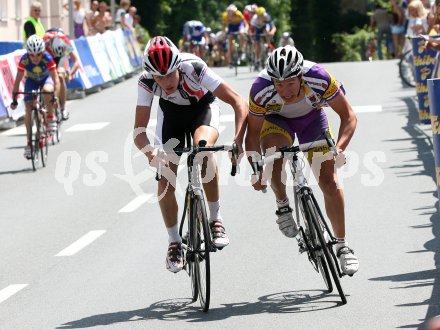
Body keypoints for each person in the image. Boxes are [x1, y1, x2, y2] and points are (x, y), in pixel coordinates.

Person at [133, 36, 247, 273]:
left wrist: (238, 140)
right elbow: (139, 132)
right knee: (165, 177)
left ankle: (216, 219)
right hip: (171, 117)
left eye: (169, 74)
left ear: (177, 66)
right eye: (159, 77)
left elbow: (237, 101)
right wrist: (151, 153)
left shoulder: (194, 67)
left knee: (203, 149)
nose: (165, 82)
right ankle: (174, 241)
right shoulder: (146, 82)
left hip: (202, 109)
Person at [244, 45, 359, 276]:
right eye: (279, 84)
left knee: (330, 183)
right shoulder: (259, 89)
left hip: (312, 119)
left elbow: (348, 116)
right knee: (273, 157)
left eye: (290, 83)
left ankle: (342, 245)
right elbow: (253, 135)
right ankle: (283, 205)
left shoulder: (319, 77)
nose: (285, 91)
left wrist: (339, 149)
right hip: (276, 121)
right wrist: (256, 169)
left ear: (301, 76)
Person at [10, 35, 59, 159]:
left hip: (45, 79)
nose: (35, 58)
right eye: (32, 55)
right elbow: (17, 81)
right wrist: (14, 99)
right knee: (28, 107)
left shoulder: (47, 58)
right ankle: (28, 144)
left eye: (39, 54)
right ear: (28, 53)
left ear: (43, 52)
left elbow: (56, 80)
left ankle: (50, 116)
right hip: (31, 80)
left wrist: (55, 98)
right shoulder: (24, 60)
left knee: (47, 90)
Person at [43, 28, 80, 120]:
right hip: (48, 57)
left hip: (61, 58)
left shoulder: (66, 43)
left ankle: (63, 107)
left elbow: (76, 61)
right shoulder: (44, 41)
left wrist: (70, 74)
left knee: (60, 76)